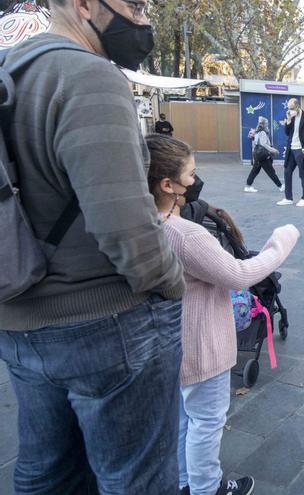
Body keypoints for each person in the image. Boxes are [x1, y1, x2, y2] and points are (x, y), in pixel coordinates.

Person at [0, 2, 187, 492]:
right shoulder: (88, 75)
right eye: (134, 5)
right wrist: (171, 282)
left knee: (47, 474)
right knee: (138, 482)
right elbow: (128, 230)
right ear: (84, 5)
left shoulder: (12, 71)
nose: (144, 21)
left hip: (21, 323)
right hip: (105, 326)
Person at [145, 135, 299, 495]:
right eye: (191, 174)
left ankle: (185, 482)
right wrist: (282, 242)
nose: (195, 181)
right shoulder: (184, 234)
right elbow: (239, 274)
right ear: (168, 185)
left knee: (183, 419)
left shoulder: (140, 225)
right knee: (207, 423)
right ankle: (206, 488)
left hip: (166, 342)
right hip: (201, 345)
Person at [278, 98, 304, 207]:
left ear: (297, 106)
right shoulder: (291, 117)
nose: (290, 110)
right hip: (291, 149)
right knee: (287, 172)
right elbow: (287, 133)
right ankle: (288, 198)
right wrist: (289, 121)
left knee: (302, 173)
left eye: (292, 108)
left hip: (301, 150)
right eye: (289, 109)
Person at [244, 116, 283, 193]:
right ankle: (280, 186)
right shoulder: (263, 132)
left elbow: (256, 143)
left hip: (258, 155)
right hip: (263, 156)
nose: (267, 125)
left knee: (254, 171)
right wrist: (274, 150)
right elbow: (263, 144)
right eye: (267, 123)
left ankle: (248, 186)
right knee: (271, 172)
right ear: (264, 124)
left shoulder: (257, 132)